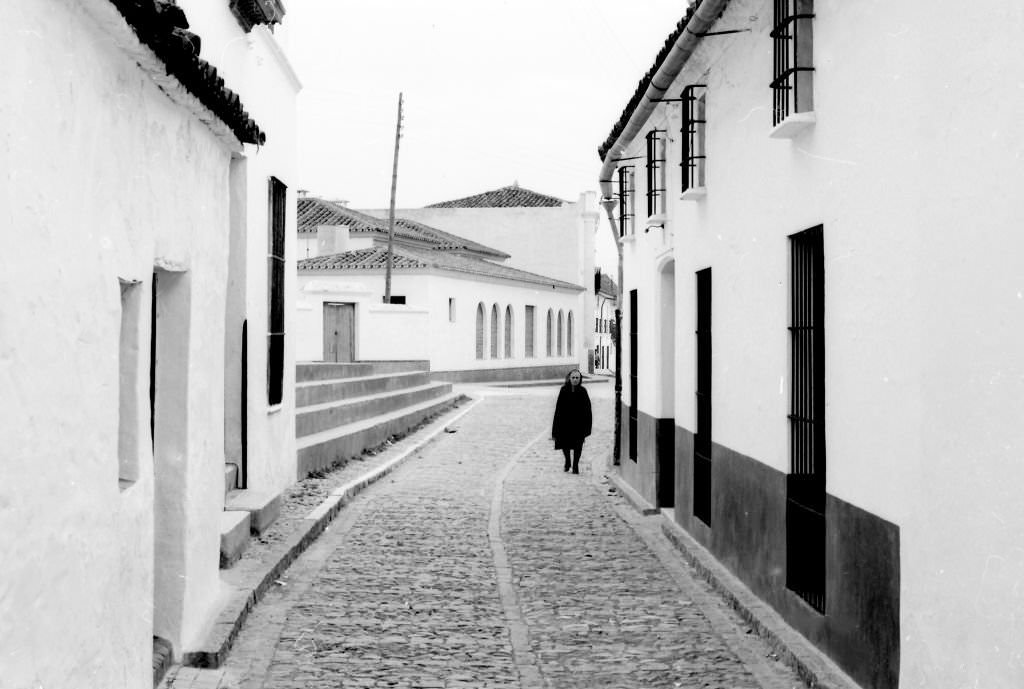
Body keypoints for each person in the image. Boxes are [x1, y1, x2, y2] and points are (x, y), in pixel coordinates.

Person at [551, 369, 592, 474]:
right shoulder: (563, 390)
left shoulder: (583, 391)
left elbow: (588, 410)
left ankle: (575, 465)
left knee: (578, 446)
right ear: (569, 378)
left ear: (580, 379)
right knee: (565, 445)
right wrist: (556, 426)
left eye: (577, 378)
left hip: (579, 425)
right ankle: (568, 461)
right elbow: (558, 408)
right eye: (573, 377)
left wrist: (587, 426)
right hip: (565, 423)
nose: (575, 380)